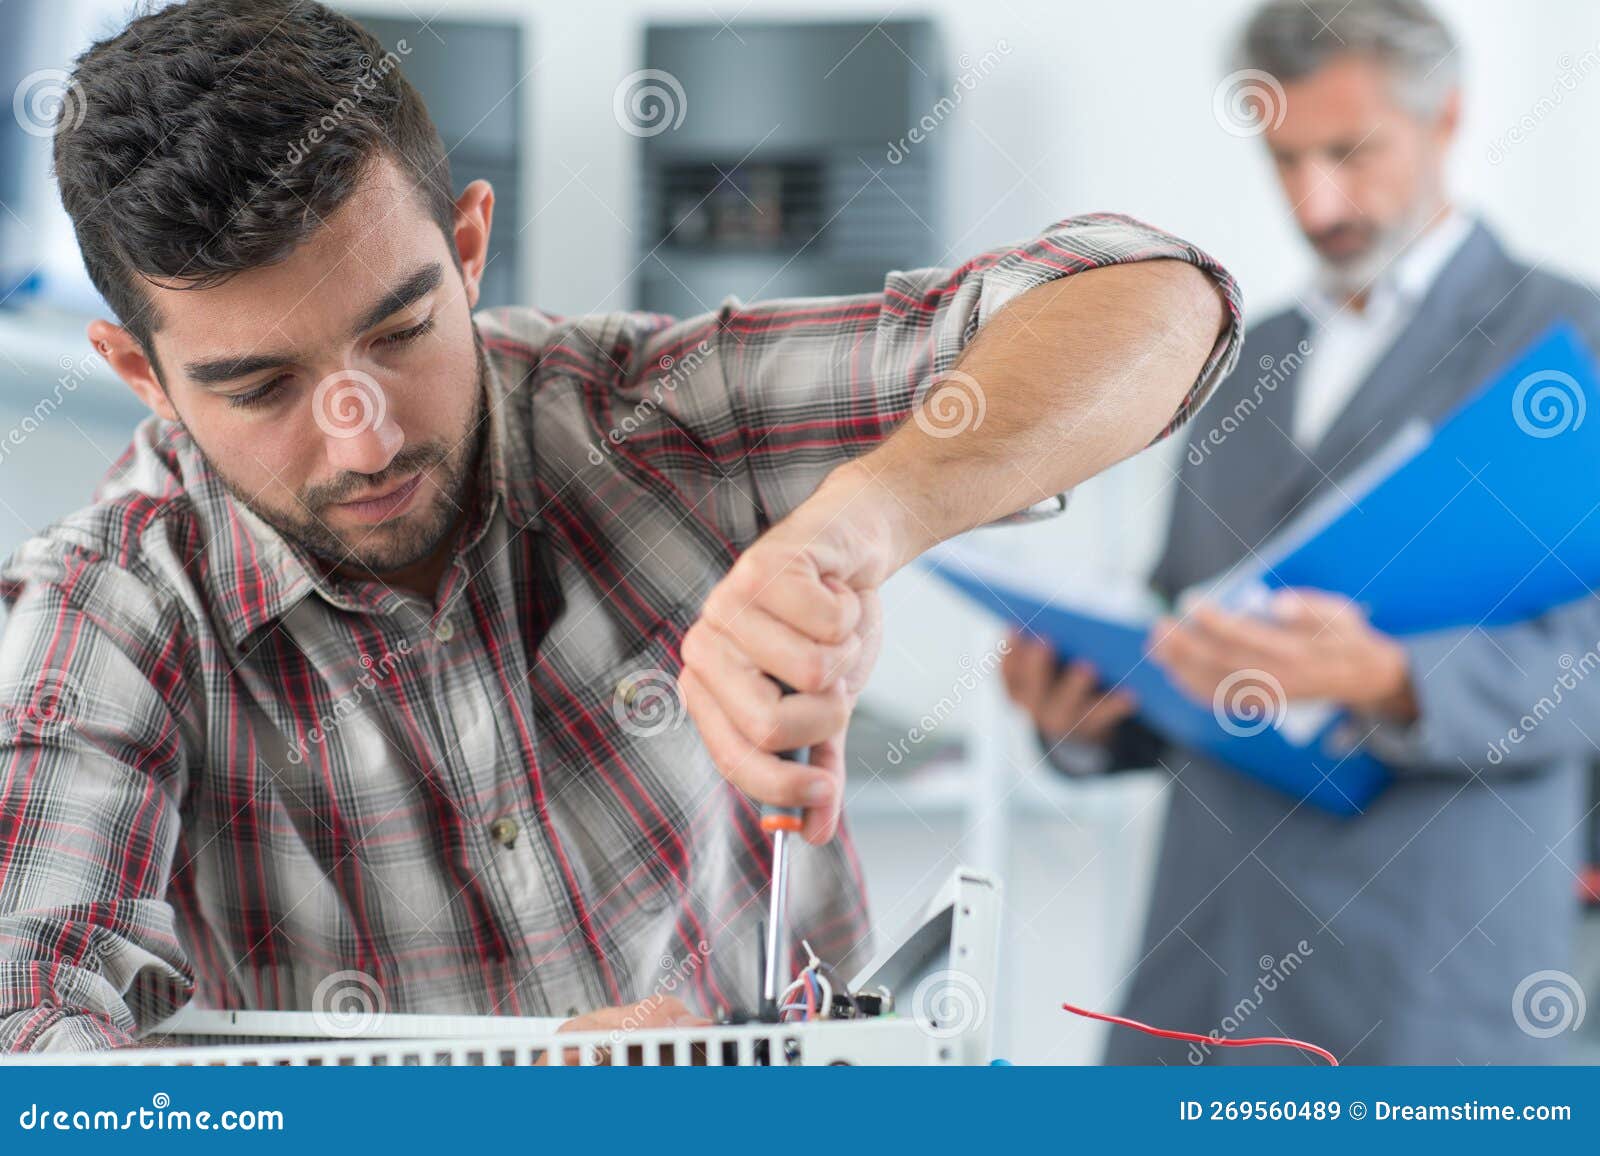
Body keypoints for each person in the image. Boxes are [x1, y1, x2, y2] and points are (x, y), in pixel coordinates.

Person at [0, 0, 1239, 1051]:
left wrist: (855, 525)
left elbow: (1153, 294)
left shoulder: (656, 417)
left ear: (470, 247)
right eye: (261, 386)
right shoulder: (110, 608)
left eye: (400, 330)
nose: (364, 435)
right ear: (140, 371)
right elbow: (26, 1026)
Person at [1004, 0, 1600, 1064]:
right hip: (1201, 969)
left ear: (1447, 117)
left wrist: (1394, 677)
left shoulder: (1569, 341)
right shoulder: (1238, 357)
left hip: (1426, 974)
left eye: (1349, 152)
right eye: (1285, 159)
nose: (1315, 199)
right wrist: (1093, 711)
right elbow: (1184, 619)